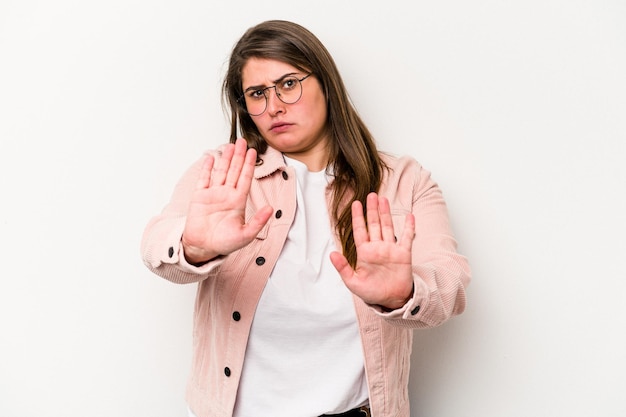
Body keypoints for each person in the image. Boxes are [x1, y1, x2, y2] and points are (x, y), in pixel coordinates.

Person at [140, 19, 470, 417]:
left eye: (289, 84)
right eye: (257, 93)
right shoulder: (224, 174)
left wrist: (402, 294)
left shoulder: (404, 181)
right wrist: (194, 247)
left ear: (325, 84)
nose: (274, 105)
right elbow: (158, 243)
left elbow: (450, 283)